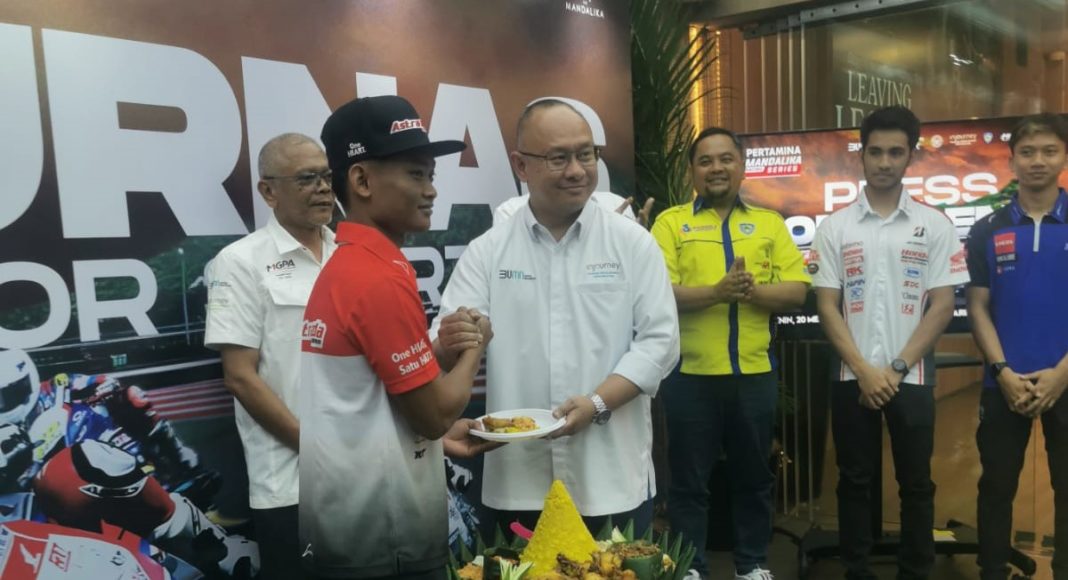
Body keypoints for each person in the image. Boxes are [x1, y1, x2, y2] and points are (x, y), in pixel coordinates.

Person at [430, 98, 680, 536]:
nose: (577, 170)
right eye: (558, 158)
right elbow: (448, 338)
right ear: (521, 166)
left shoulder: (632, 243)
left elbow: (660, 342)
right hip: (519, 479)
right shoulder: (490, 250)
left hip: (610, 476)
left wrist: (598, 402)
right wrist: (458, 335)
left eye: (586, 154)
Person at [299, 95, 492, 580]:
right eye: (415, 174)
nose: (430, 190)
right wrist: (475, 348)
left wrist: (440, 350)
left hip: (355, 525)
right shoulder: (377, 276)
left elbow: (374, 389)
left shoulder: (352, 263)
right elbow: (433, 415)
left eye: (431, 174)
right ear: (362, 181)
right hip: (384, 539)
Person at [809, 106, 968, 580]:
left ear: (910, 156)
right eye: (875, 151)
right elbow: (826, 306)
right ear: (861, 155)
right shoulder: (835, 226)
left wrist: (894, 369)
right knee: (853, 481)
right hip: (850, 375)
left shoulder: (934, 225)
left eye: (895, 152)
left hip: (911, 376)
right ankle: (856, 571)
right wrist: (864, 370)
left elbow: (942, 305)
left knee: (916, 483)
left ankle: (915, 573)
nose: (884, 162)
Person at [650, 127, 810, 580]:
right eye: (705, 160)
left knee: (754, 479)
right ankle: (690, 566)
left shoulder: (770, 224)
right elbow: (659, 293)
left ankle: (752, 565)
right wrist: (718, 292)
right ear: (692, 171)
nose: (716, 168)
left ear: (741, 167)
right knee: (687, 482)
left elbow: (798, 291)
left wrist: (750, 291)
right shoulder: (670, 224)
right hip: (689, 377)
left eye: (725, 159)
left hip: (753, 375)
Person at [204, 132, 336, 579]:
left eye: (326, 176)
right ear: (268, 191)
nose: (323, 187)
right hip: (290, 484)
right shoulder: (239, 262)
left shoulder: (349, 254)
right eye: (306, 178)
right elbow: (240, 377)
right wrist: (316, 449)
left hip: (365, 472)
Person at [965, 112, 1068, 580]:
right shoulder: (986, 229)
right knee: (996, 487)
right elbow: (978, 307)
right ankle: (991, 571)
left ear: (1063, 157)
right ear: (1011, 162)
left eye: (1049, 151)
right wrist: (1001, 370)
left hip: (1066, 379)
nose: (1037, 161)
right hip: (1003, 383)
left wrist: (1061, 374)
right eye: (1027, 152)